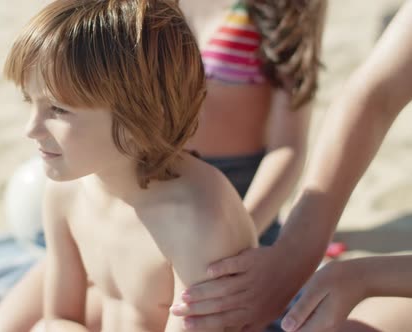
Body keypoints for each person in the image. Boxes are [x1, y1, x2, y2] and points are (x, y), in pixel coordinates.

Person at [0, 0, 327, 331]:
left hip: (228, 198)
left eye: (56, 109)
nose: (29, 129)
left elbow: (289, 146)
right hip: (112, 175)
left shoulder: (284, 8)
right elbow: (59, 318)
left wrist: (234, 234)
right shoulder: (65, 194)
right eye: (30, 103)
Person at [171, 1, 412, 331]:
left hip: (245, 215)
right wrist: (296, 254)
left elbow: (288, 145)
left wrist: (360, 275)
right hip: (162, 198)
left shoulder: (285, 9)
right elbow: (373, 94)